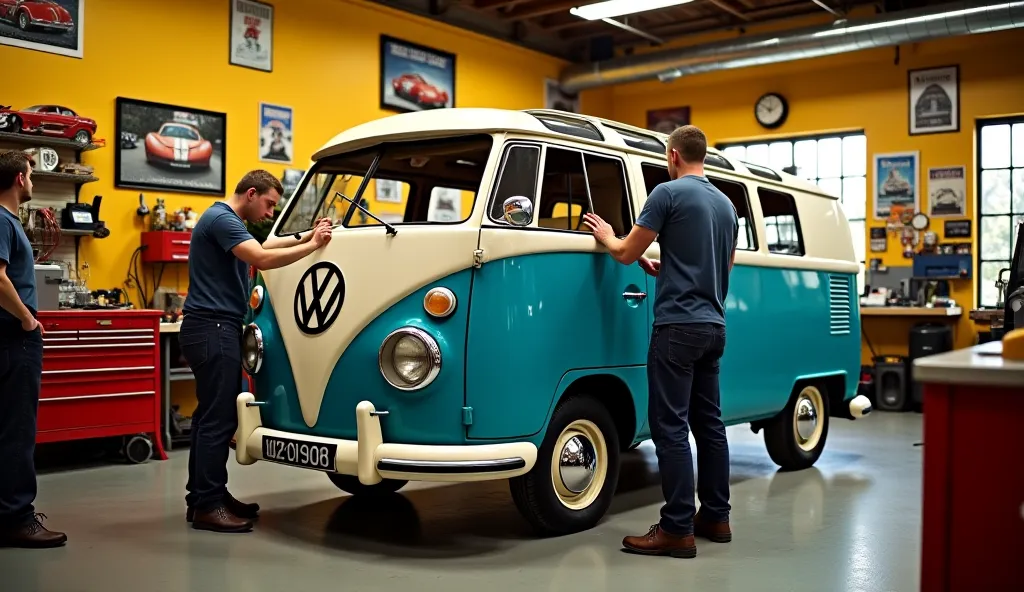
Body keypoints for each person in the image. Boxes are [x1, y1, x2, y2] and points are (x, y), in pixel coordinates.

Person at [582, 125, 738, 558]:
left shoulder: (666, 194)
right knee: (710, 426)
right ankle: (716, 517)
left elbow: (626, 252)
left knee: (670, 428)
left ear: (672, 156)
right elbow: (721, 267)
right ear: (701, 155)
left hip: (676, 329)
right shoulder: (727, 206)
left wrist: (607, 234)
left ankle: (675, 529)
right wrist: (666, 268)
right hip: (713, 327)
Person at [180, 169, 332, 533]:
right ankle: (207, 504)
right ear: (250, 193)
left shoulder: (225, 220)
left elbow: (262, 248)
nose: (269, 212)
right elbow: (262, 260)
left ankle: (205, 495)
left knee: (208, 419)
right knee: (218, 421)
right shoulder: (221, 219)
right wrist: (312, 246)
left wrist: (309, 235)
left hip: (211, 328)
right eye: (268, 204)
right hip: (213, 328)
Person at [0, 150, 67, 548]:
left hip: (8, 337)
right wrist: (27, 319)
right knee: (17, 431)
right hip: (13, 337)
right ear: (20, 179)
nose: (33, 181)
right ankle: (17, 517)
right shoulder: (4, 221)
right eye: (31, 174)